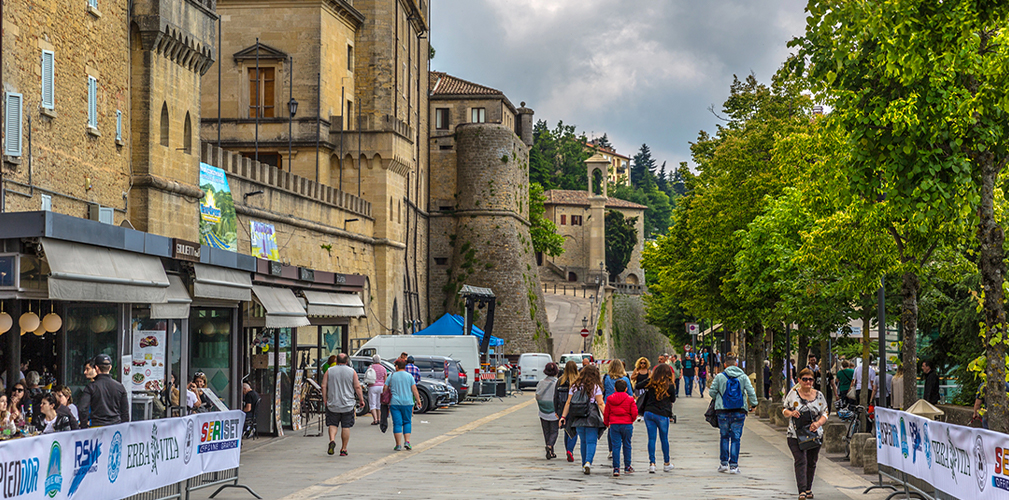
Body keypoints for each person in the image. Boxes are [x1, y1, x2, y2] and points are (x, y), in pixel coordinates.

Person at [783, 368, 829, 500]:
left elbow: (825, 412)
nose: (808, 382)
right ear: (799, 380)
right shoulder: (793, 394)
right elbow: (784, 409)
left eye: (810, 379)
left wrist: (818, 423)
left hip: (814, 434)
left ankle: (808, 488)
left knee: (812, 461)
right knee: (801, 460)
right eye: (805, 379)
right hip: (795, 434)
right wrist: (791, 413)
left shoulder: (819, 395)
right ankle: (802, 490)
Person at [709, 353, 758, 474]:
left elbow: (711, 392)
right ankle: (734, 466)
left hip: (723, 411)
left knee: (724, 436)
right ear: (736, 364)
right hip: (739, 411)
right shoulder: (743, 376)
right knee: (736, 438)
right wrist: (754, 404)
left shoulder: (720, 377)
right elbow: (751, 392)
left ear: (725, 364)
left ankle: (723, 463)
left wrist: (720, 397)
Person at [559, 364, 606, 475]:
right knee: (591, 441)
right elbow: (600, 403)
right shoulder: (595, 387)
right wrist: (607, 416)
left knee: (583, 441)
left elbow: (568, 402)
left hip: (578, 416)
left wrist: (563, 417)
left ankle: (584, 463)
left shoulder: (575, 386)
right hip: (592, 416)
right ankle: (588, 462)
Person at [636, 363, 676, 473]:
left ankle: (652, 464)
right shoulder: (670, 385)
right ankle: (666, 463)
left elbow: (638, 386)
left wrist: (650, 379)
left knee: (651, 438)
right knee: (664, 439)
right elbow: (673, 399)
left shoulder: (651, 383)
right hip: (663, 414)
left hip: (649, 412)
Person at [320, 353, 363, 456]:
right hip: (347, 404)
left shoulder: (329, 371)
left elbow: (323, 386)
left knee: (332, 424)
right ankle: (343, 449)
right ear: (347, 361)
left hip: (333, 403)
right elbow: (357, 387)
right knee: (346, 426)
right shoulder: (352, 371)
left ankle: (332, 440)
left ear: (337, 360)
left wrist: (325, 399)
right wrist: (361, 399)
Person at [78, 354, 130, 427]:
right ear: (110, 368)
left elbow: (82, 408)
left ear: (96, 368)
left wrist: (84, 425)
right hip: (115, 427)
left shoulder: (91, 387)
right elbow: (125, 412)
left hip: (97, 426)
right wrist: (124, 428)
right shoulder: (120, 387)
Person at [385, 358, 421, 451]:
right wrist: (418, 400)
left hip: (395, 403)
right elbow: (414, 389)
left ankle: (398, 445)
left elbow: (384, 388)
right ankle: (407, 442)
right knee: (407, 422)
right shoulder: (409, 376)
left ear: (396, 366)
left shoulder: (391, 376)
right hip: (408, 403)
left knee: (397, 423)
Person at [603, 379, 636, 477]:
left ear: (615, 389)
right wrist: (631, 420)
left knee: (615, 446)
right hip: (627, 424)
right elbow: (634, 412)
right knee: (627, 444)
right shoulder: (630, 399)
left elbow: (606, 413)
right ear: (626, 389)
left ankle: (616, 468)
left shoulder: (610, 399)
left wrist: (606, 423)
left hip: (614, 424)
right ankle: (627, 466)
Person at [602, 359, 632, 459]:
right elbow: (630, 394)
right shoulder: (626, 379)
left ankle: (611, 450)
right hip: (623, 406)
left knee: (611, 428)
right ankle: (625, 450)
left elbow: (603, 391)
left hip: (609, 404)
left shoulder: (606, 378)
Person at [554, 361, 580, 462]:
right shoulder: (578, 380)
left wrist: (555, 409)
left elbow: (555, 396)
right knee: (574, 430)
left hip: (562, 408)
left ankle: (568, 450)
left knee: (566, 430)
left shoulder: (560, 380)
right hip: (576, 408)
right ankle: (570, 450)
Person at [535, 362, 559, 460]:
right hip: (554, 411)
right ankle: (550, 446)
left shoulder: (541, 382)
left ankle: (550, 450)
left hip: (543, 410)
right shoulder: (558, 382)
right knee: (554, 431)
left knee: (546, 431)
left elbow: (537, 395)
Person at [366, 354, 388, 425]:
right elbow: (386, 380)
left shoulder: (370, 367)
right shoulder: (383, 368)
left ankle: (375, 419)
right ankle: (379, 418)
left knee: (372, 404)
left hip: (372, 386)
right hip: (381, 387)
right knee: (379, 404)